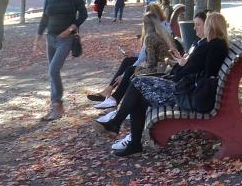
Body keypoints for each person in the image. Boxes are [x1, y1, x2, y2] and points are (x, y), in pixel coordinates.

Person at [98, 10, 229, 157]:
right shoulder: (213, 44)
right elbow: (195, 68)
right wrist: (184, 63)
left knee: (138, 83)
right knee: (139, 95)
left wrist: (184, 64)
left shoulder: (214, 45)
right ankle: (133, 141)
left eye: (202, 25)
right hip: (185, 89)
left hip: (187, 94)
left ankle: (117, 123)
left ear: (211, 27)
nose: (199, 28)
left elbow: (205, 70)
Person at [34, 0, 88, 121]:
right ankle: (54, 106)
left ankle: (57, 105)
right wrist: (38, 37)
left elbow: (83, 14)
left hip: (66, 38)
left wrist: (71, 29)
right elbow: (45, 17)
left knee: (53, 70)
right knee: (52, 72)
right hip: (50, 38)